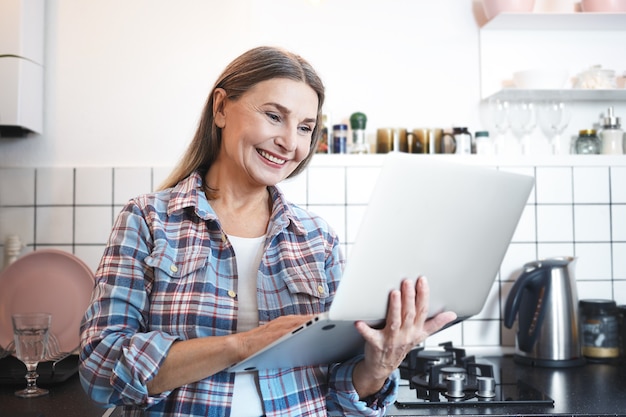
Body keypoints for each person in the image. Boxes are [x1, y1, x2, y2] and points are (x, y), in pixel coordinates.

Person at [79, 45, 457, 417]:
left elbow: (342, 396)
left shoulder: (317, 238)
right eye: (275, 116)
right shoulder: (147, 219)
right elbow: (100, 369)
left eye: (305, 127)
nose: (291, 143)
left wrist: (379, 367)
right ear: (221, 108)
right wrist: (244, 345)